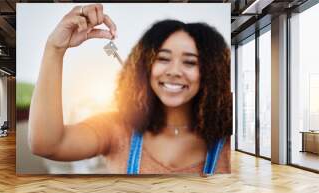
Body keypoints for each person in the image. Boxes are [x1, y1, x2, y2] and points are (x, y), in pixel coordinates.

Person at [29, 4, 232, 176]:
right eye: (163, 58)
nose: (174, 71)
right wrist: (54, 49)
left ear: (210, 72)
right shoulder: (116, 128)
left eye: (189, 62)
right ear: (144, 66)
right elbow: (47, 144)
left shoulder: (229, 141)